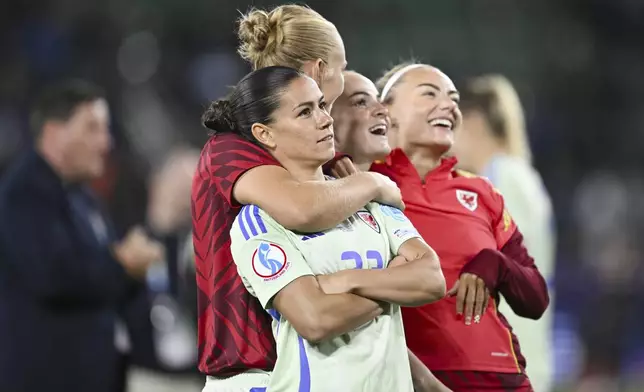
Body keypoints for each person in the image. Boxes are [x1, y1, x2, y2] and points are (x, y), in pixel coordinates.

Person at [191, 5, 406, 390]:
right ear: (317, 70)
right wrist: (375, 186)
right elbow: (303, 208)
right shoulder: (231, 149)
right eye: (342, 67)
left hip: (320, 368)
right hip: (254, 373)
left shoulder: (330, 166)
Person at [213, 65, 445, 391]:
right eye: (305, 112)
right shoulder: (258, 222)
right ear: (265, 134)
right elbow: (316, 319)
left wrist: (345, 281)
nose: (325, 119)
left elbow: (432, 278)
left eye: (322, 105)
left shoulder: (366, 197)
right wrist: (394, 288)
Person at [365, 62, 550, 391]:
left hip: (501, 375)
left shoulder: (481, 192)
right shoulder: (362, 183)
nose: (449, 105)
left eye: (453, 98)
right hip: (412, 378)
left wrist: (496, 264)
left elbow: (535, 297)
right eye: (429, 93)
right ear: (386, 110)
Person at [0, 80, 163, 392]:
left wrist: (127, 266)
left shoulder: (82, 196)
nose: (106, 142)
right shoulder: (26, 191)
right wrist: (123, 261)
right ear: (54, 133)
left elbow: (101, 281)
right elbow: (52, 274)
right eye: (92, 128)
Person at [451, 74, 556, 392]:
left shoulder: (503, 180)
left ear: (474, 122)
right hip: (522, 354)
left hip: (510, 358)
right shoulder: (522, 176)